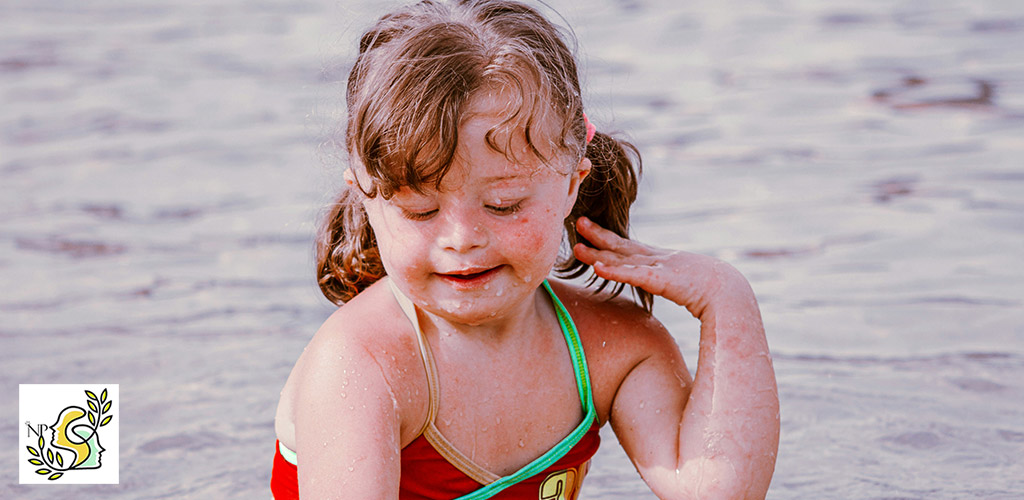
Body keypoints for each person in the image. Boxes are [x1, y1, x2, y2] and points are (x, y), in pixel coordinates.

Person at [272, 0, 779, 498]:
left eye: (504, 203)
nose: (461, 237)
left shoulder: (611, 348)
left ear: (572, 184)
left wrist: (726, 298)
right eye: (421, 211)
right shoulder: (362, 365)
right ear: (365, 196)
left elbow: (717, 492)